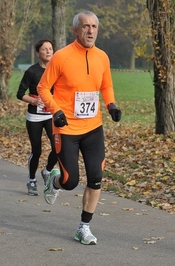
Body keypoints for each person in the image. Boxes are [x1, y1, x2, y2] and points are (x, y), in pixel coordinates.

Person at [37, 10, 122, 245]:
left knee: (96, 177)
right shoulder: (61, 57)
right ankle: (53, 182)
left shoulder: (102, 57)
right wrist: (57, 111)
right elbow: (43, 88)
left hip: (93, 127)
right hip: (66, 128)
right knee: (70, 180)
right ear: (76, 30)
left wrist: (111, 105)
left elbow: (106, 85)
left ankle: (83, 227)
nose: (91, 31)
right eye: (86, 26)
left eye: (94, 27)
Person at [16, 39, 57, 196]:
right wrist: (34, 100)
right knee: (37, 150)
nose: (48, 51)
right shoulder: (32, 72)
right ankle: (31, 179)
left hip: (51, 114)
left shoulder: (56, 70)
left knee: (58, 148)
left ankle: (46, 171)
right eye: (44, 49)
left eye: (50, 49)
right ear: (38, 53)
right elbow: (20, 94)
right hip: (35, 116)